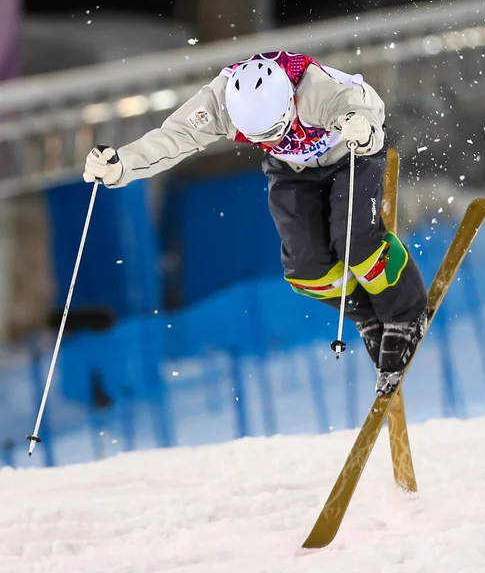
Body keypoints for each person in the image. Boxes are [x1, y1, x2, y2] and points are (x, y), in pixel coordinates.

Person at [83, 50, 428, 395]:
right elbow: (174, 137)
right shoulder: (221, 102)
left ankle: (405, 312)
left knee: (355, 241)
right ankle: (367, 314)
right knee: (306, 269)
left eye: (275, 131)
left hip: (349, 153)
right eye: (257, 137)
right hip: (293, 168)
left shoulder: (317, 90)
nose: (269, 142)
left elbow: (369, 109)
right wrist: (122, 166)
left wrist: (364, 131)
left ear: (289, 103)